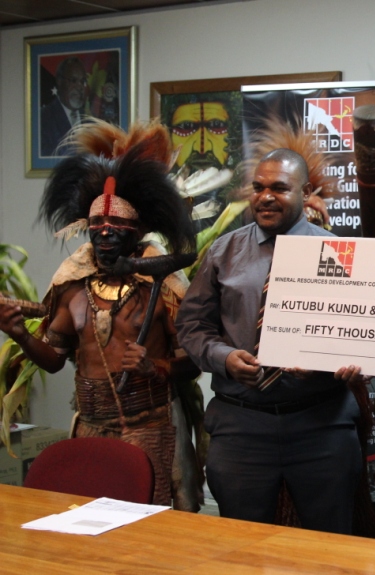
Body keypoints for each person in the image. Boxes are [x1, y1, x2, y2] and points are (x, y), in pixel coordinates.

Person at [0, 120, 203, 509]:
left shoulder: (164, 286)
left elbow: (194, 361)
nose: (105, 233)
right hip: (91, 426)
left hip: (149, 425)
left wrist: (156, 367)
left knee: (152, 523)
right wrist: (20, 335)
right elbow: (55, 359)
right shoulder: (73, 285)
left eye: (116, 225)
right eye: (97, 225)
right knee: (87, 520)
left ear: (136, 230)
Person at [176, 148, 365, 534]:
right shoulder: (224, 252)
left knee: (330, 548)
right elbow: (192, 326)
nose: (265, 197)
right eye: (258, 187)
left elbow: (361, 331)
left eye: (279, 188)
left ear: (306, 192)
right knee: (242, 546)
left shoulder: (340, 254)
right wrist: (225, 358)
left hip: (321, 426)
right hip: (241, 427)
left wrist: (331, 361)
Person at [40, 57, 88, 157]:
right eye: (73, 80)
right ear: (59, 81)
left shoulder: (91, 121)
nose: (80, 87)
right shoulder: (43, 119)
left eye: (83, 81)